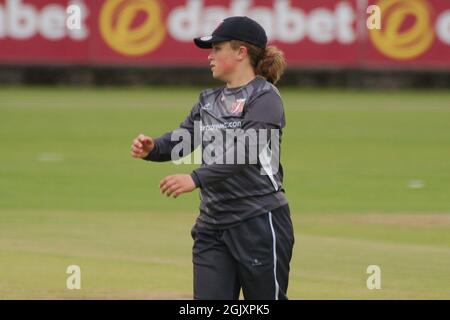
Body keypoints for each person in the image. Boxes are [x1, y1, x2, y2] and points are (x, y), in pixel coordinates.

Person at [130, 16, 294, 300]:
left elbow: (245, 151)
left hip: (258, 222)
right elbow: (183, 139)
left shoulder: (265, 98)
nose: (210, 56)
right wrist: (153, 148)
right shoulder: (208, 101)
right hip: (212, 225)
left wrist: (195, 178)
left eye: (217, 48)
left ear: (241, 52)